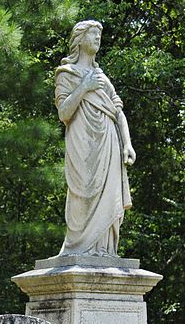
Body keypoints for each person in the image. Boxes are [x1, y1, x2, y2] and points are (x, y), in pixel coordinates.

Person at [55, 20, 136, 257]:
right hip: (82, 142)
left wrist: (127, 143)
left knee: (108, 194)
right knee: (82, 190)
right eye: (93, 34)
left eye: (100, 35)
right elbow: (64, 113)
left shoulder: (103, 77)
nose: (98, 39)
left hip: (108, 143)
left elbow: (118, 112)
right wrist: (84, 87)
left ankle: (104, 249)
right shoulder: (66, 74)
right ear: (79, 40)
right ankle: (78, 247)